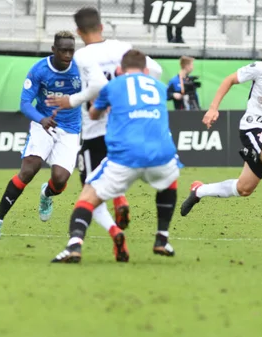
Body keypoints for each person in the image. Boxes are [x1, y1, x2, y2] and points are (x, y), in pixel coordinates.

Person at [179, 28, 262, 240]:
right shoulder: (261, 69)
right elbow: (229, 80)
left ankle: (199, 191)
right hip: (253, 126)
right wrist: (213, 108)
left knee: (244, 188)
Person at [51, 49, 181, 263]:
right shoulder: (160, 87)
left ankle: (74, 246)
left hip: (125, 156)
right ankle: (162, 238)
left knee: (87, 198)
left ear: (120, 70)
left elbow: (94, 114)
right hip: (162, 154)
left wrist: (104, 108)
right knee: (170, 180)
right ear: (146, 70)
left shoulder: (112, 86)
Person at [45, 7, 163, 241]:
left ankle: (110, 231)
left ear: (78, 32)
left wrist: (72, 100)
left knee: (90, 188)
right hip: (123, 127)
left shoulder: (83, 56)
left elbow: (98, 84)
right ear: (101, 27)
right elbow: (156, 70)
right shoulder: (123, 48)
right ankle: (120, 200)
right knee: (113, 173)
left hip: (95, 128)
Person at [0, 31, 82, 238]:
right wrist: (41, 119)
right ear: (54, 50)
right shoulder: (39, 70)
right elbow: (24, 103)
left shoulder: (81, 69)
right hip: (43, 124)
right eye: (63, 50)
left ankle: (47, 194)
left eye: (71, 50)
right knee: (30, 168)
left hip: (71, 129)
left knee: (60, 179)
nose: (68, 55)